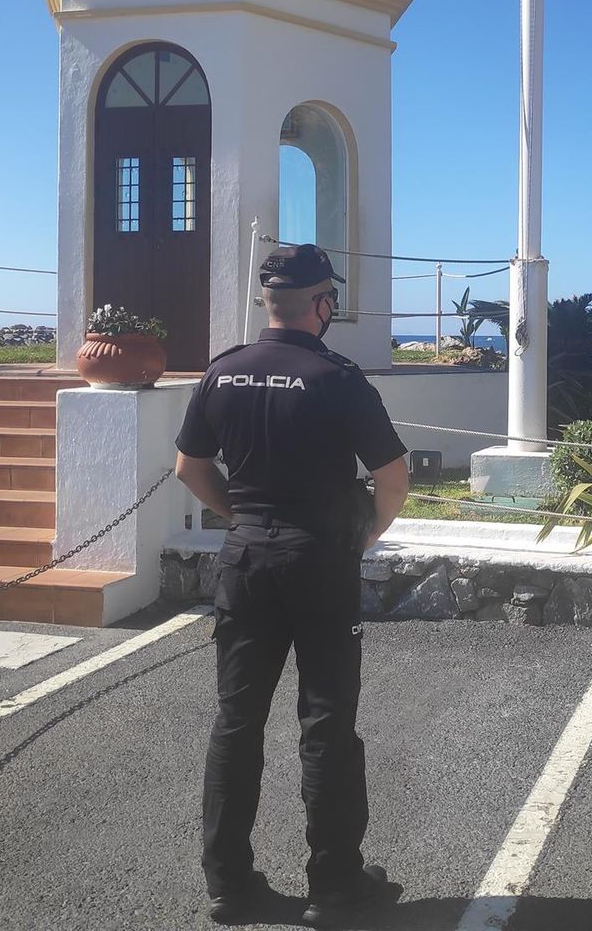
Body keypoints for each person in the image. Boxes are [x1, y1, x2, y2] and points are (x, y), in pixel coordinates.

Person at [173, 243, 410, 927]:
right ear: (321, 303)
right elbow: (393, 480)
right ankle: (333, 884)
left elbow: (190, 467)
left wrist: (242, 517)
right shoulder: (337, 378)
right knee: (328, 721)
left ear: (267, 302)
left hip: (247, 561)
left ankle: (227, 884)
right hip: (319, 564)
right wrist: (361, 536)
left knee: (237, 721)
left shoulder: (224, 373)